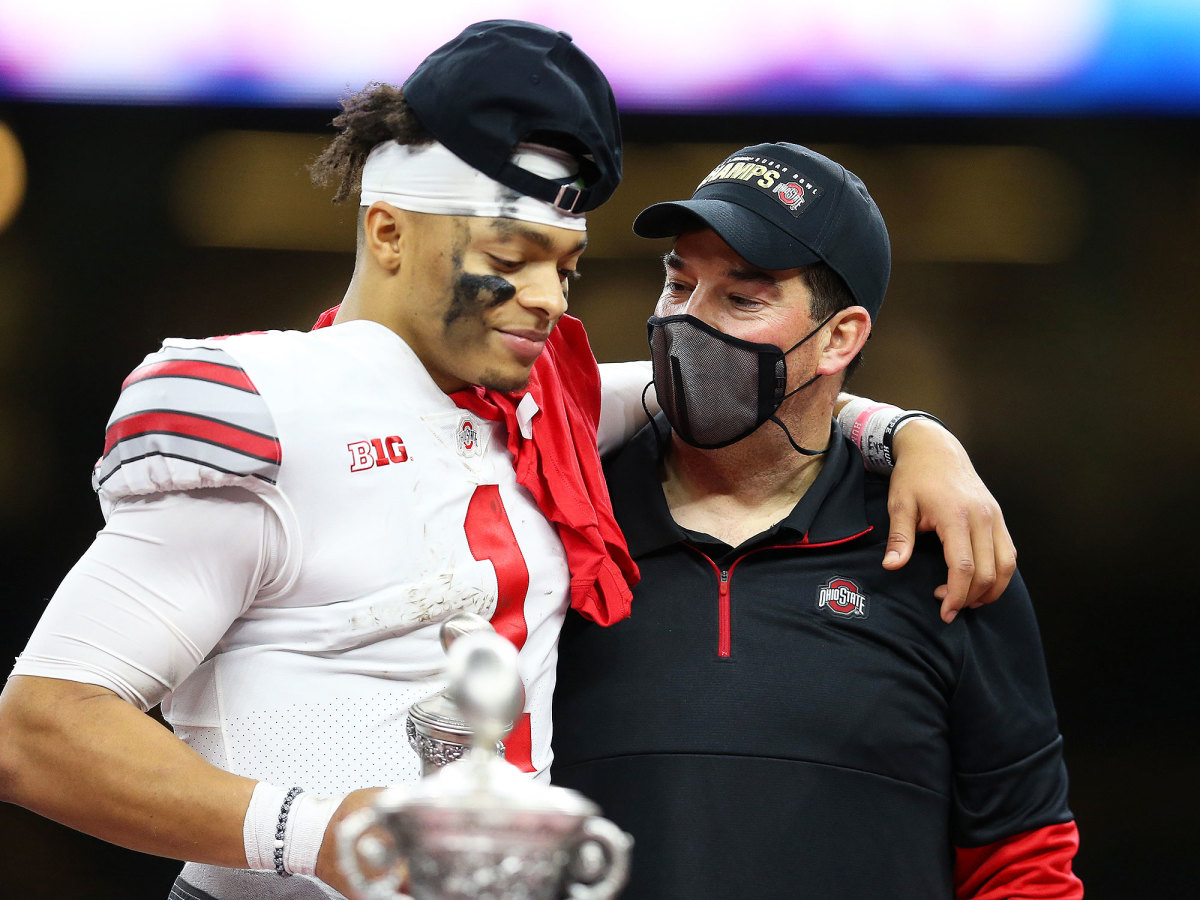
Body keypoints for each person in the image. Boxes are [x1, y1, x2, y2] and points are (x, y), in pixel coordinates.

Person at [0, 23, 1013, 900]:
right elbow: (38, 730)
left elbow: (749, 385)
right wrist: (322, 834)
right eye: (510, 255)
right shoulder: (264, 408)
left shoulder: (547, 402)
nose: (549, 299)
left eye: (564, 266)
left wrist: (911, 434)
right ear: (389, 231)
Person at [551, 142, 1083, 899]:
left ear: (841, 337)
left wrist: (913, 436)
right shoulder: (564, 518)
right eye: (679, 284)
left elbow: (1022, 863)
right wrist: (908, 428)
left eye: (742, 299)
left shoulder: (939, 548)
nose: (688, 322)